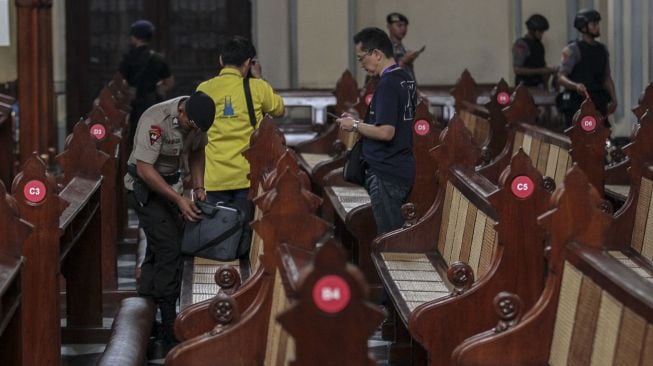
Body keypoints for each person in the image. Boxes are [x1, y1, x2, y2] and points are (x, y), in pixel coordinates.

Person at [124, 91, 215, 354]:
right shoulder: (156, 119)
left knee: (158, 246)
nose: (192, 130)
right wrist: (178, 200)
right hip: (144, 188)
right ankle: (167, 324)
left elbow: (197, 151)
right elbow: (145, 169)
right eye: (191, 125)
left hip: (171, 185)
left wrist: (198, 187)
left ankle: (147, 311)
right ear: (182, 111)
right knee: (169, 248)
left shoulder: (197, 120)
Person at [197, 36, 284, 257]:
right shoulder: (257, 88)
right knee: (245, 236)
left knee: (219, 235)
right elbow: (278, 110)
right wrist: (261, 77)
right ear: (248, 63)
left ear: (220, 60)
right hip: (247, 175)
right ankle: (243, 282)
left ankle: (220, 277)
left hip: (215, 174)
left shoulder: (204, 88)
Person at [337, 27, 417, 235]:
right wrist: (359, 121)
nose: (361, 64)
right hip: (399, 163)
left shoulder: (388, 83)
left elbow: (386, 132)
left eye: (362, 58)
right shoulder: (405, 77)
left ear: (377, 54)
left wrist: (354, 126)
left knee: (388, 240)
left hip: (386, 172)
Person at [557, 9, 617, 127]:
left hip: (598, 100)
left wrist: (614, 99)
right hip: (578, 102)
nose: (597, 27)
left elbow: (606, 77)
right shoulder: (573, 50)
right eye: (594, 24)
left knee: (601, 135)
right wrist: (575, 86)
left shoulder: (602, 49)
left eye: (597, 24)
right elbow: (561, 77)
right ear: (584, 28)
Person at [119, 19, 175, 145]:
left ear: (135, 37)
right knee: (154, 138)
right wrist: (158, 88)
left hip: (135, 105)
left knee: (136, 137)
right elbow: (170, 82)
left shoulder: (128, 58)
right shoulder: (157, 58)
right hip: (154, 103)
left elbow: (122, 83)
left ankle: (136, 162)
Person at [512, 14, 557, 88]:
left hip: (539, 86)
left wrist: (549, 71)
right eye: (540, 32)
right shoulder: (522, 44)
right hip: (524, 87)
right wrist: (541, 71)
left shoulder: (539, 45)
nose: (541, 35)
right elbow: (517, 70)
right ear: (533, 31)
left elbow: (541, 65)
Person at [386, 12, 421, 82]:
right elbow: (387, 74)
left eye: (405, 26)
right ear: (389, 26)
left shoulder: (402, 48)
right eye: (399, 26)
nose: (403, 29)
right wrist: (403, 61)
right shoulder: (385, 47)